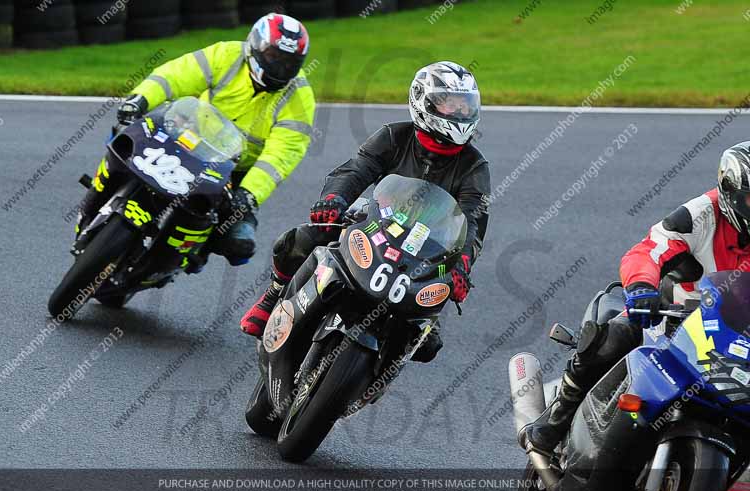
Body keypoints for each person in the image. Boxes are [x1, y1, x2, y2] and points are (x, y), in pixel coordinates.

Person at [240, 61, 490, 362]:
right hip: (376, 222)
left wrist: (462, 265)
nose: (459, 112)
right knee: (302, 239)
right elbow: (355, 171)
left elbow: (472, 220)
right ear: (424, 101)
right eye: (450, 104)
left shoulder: (474, 166)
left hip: (428, 248)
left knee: (425, 345)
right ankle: (274, 294)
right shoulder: (394, 136)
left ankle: (374, 374)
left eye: (464, 105)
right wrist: (333, 199)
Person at [522, 140, 750, 452]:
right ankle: (557, 417)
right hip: (676, 323)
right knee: (614, 335)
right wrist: (643, 287)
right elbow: (649, 250)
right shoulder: (700, 215)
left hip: (741, 341)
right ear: (731, 193)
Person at [76, 13, 315, 265]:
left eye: (290, 63)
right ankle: (93, 203)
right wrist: (140, 98)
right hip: (185, 138)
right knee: (126, 141)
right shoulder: (227, 55)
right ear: (255, 47)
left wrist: (249, 194)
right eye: (274, 57)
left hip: (233, 170)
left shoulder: (300, 98)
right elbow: (176, 75)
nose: (280, 67)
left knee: (239, 244)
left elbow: (281, 155)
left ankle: (178, 260)